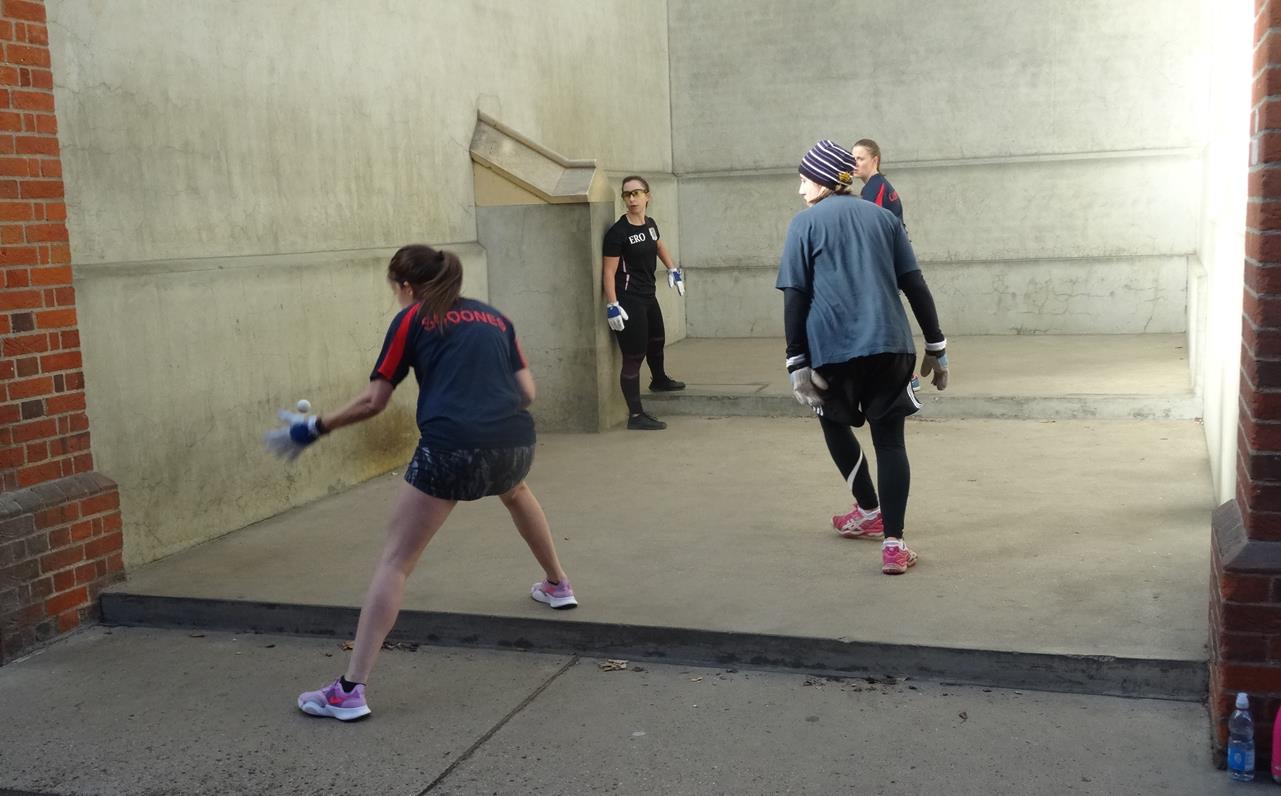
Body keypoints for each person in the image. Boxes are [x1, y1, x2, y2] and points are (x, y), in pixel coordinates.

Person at [265, 244, 577, 722]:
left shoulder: (411, 320)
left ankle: (349, 690)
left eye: (395, 288)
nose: (395, 296)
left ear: (406, 286)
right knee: (514, 491)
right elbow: (528, 392)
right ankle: (558, 585)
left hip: (450, 448)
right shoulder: (495, 318)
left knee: (396, 561)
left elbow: (374, 402)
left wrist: (315, 428)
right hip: (516, 443)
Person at [776, 140, 949, 575]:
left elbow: (796, 297)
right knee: (890, 441)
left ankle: (869, 510)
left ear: (823, 179)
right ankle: (894, 543)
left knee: (834, 424)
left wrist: (796, 361)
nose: (800, 190)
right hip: (890, 346)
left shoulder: (804, 224)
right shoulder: (884, 219)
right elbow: (915, 284)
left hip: (830, 350)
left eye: (803, 180)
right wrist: (936, 346)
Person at [601, 175, 686, 431]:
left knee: (657, 340)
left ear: (648, 196)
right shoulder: (618, 233)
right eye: (627, 194)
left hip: (649, 296)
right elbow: (607, 272)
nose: (632, 198)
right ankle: (636, 416)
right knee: (634, 356)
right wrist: (612, 304)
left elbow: (658, 245)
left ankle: (659, 380)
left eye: (637, 193)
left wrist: (673, 269)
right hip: (629, 301)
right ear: (623, 199)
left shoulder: (650, 224)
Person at [852, 138, 903, 224]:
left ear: (875, 160)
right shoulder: (880, 184)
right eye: (853, 159)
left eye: (860, 159)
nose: (855, 164)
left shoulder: (874, 189)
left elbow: (870, 227)